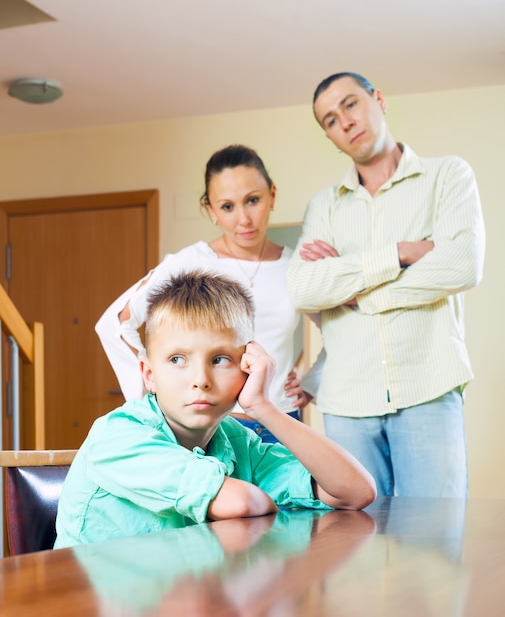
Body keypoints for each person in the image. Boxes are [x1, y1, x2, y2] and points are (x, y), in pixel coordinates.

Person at [54, 270, 376, 547]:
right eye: (177, 359)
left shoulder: (236, 442)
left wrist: (262, 407)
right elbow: (243, 502)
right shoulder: (118, 437)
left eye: (220, 359)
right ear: (149, 375)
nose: (201, 380)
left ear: (247, 367)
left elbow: (355, 491)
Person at [287, 72, 485, 498]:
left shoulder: (447, 176)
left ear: (378, 99)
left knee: (433, 545)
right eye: (331, 120)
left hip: (428, 386)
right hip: (346, 401)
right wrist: (400, 253)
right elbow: (304, 289)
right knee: (357, 549)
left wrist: (355, 292)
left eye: (351, 104)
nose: (346, 121)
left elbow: (462, 266)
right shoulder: (324, 205)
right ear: (330, 136)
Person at [95, 144, 315, 444]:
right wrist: (157, 382)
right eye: (227, 206)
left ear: (272, 195)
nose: (244, 219)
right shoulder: (192, 261)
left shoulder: (297, 267)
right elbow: (114, 324)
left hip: (282, 419)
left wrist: (313, 380)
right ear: (211, 210)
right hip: (220, 426)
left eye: (253, 200)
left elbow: (340, 328)